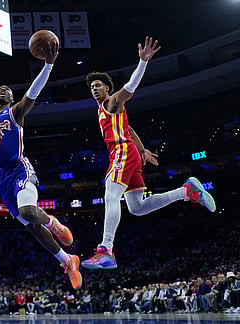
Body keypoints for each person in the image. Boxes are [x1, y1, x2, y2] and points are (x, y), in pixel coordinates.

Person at [82, 37, 216, 270]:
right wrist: (143, 150)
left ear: (107, 88)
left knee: (111, 195)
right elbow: (130, 129)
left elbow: (130, 89)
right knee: (137, 207)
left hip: (122, 152)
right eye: (92, 86)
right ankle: (186, 192)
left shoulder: (111, 103)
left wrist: (142, 62)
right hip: (130, 152)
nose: (94, 89)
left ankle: (105, 250)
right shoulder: (102, 110)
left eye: (98, 85)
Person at [0, 39, 81, 290]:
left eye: (8, 89)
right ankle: (67, 260)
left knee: (30, 213)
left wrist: (48, 66)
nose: (4, 90)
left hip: (19, 168)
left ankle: (55, 224)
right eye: (1, 89)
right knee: (32, 228)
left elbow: (33, 92)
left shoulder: (15, 113)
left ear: (11, 97)